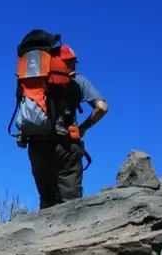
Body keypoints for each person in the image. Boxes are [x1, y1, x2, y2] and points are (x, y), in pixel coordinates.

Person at [23, 42, 109, 209]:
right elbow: (102, 107)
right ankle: (71, 234)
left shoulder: (34, 82)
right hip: (67, 145)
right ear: (71, 62)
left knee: (47, 200)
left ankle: (47, 234)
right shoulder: (78, 81)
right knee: (71, 202)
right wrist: (83, 128)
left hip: (37, 145)